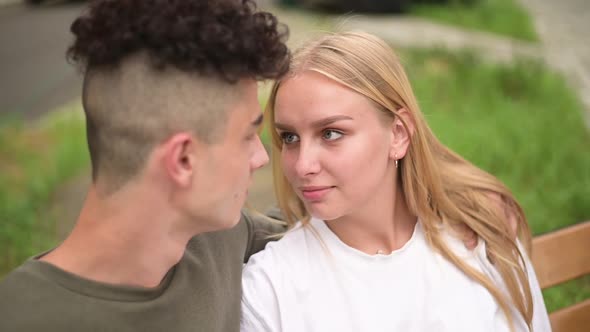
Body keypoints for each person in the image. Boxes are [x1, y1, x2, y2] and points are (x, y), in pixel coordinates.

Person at [0, 0, 289, 330]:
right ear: (182, 160)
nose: (261, 158)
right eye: (248, 136)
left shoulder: (220, 239)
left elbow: (315, 223)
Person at [241, 32, 551, 332]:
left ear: (398, 134)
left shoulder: (480, 230)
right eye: (289, 137)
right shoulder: (269, 289)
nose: (302, 165)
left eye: (331, 133)